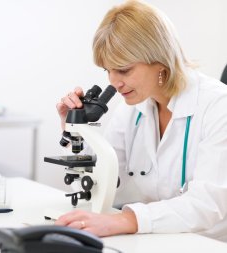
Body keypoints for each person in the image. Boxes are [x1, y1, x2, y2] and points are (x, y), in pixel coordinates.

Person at [55, 0, 227, 241]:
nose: (114, 83)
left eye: (124, 70)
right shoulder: (133, 109)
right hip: (153, 240)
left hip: (206, 244)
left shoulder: (218, 106)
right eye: (108, 70)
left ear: (160, 61)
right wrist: (75, 132)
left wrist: (124, 220)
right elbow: (97, 188)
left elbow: (207, 204)